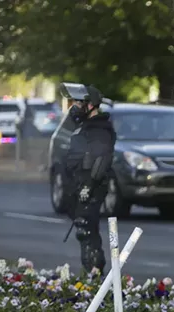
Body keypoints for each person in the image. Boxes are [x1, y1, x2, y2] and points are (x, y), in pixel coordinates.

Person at [60, 83, 115, 274]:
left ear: (90, 105)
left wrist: (89, 186)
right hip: (80, 183)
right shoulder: (85, 126)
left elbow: (101, 160)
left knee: (86, 229)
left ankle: (95, 272)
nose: (74, 107)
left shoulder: (99, 129)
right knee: (84, 227)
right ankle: (91, 272)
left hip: (90, 185)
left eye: (78, 102)